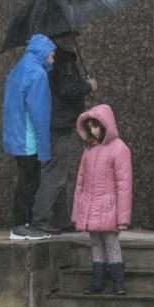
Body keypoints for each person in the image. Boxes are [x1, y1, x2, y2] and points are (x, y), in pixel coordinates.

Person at [31, 32, 97, 235]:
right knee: (55, 174)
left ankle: (61, 218)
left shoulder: (55, 60)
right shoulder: (63, 61)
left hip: (54, 122)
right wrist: (88, 85)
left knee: (58, 173)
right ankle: (40, 218)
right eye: (69, 36)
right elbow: (68, 89)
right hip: (58, 123)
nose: (73, 40)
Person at [71, 104, 132, 295]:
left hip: (108, 208)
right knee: (96, 245)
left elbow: (124, 185)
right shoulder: (89, 150)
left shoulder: (119, 149)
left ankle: (118, 283)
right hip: (91, 207)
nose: (93, 131)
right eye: (90, 127)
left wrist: (122, 218)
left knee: (111, 244)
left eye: (96, 126)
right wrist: (77, 212)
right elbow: (79, 183)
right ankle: (98, 283)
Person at [2, 33, 56, 240]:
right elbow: (39, 113)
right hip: (28, 138)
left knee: (25, 179)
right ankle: (20, 224)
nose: (53, 59)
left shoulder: (19, 69)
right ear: (42, 53)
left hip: (16, 135)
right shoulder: (37, 74)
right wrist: (45, 147)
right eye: (51, 55)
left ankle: (23, 223)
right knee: (30, 181)